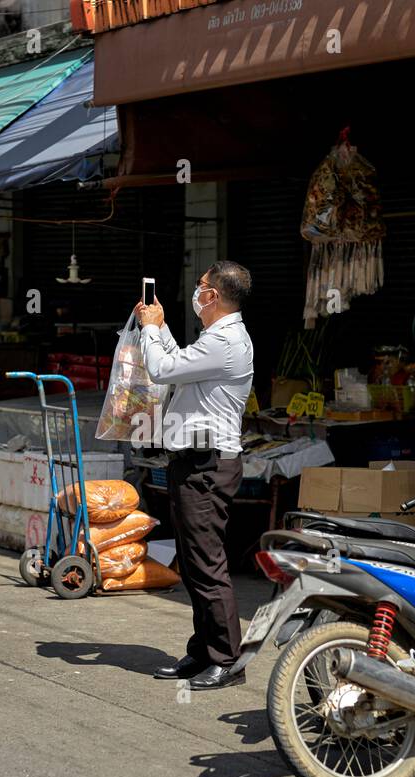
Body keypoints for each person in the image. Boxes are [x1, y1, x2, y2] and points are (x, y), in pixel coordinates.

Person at [136, 261, 254, 691]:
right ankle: (203, 650)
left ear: (215, 297)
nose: (196, 291)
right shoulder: (214, 341)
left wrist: (150, 329)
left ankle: (227, 659)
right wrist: (159, 326)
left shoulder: (227, 341)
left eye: (202, 287)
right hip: (192, 461)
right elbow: (176, 361)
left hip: (208, 466)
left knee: (207, 563)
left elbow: (163, 370)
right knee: (191, 562)